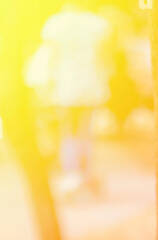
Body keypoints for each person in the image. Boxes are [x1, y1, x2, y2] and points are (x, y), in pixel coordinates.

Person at [39, 4, 111, 194]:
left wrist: (46, 84)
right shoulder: (97, 24)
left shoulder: (54, 24)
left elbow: (50, 57)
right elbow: (104, 58)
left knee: (68, 129)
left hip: (65, 83)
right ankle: (85, 172)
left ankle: (72, 174)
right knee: (86, 129)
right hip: (91, 82)